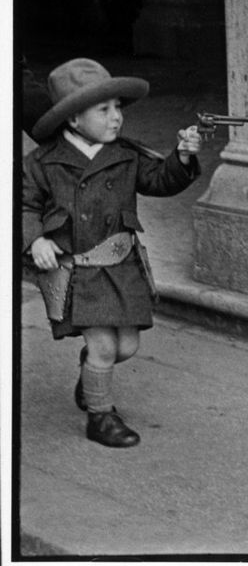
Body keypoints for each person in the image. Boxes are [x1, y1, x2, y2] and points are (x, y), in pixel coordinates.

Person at [23, 58, 203, 448]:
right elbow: (23, 206)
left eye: (118, 107)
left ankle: (92, 372)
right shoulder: (42, 164)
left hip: (121, 266)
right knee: (105, 346)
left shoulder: (125, 155)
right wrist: (35, 239)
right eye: (103, 110)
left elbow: (159, 180)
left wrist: (182, 157)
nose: (116, 117)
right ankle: (100, 417)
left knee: (126, 346)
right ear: (73, 120)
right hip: (79, 270)